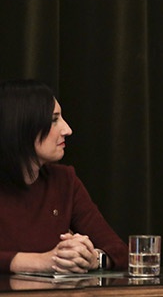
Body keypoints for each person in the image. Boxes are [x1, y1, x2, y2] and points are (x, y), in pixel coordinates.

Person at [0, 79, 128, 274]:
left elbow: (119, 251)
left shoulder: (64, 181)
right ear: (22, 126)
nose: (67, 130)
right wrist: (39, 261)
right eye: (54, 120)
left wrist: (92, 258)